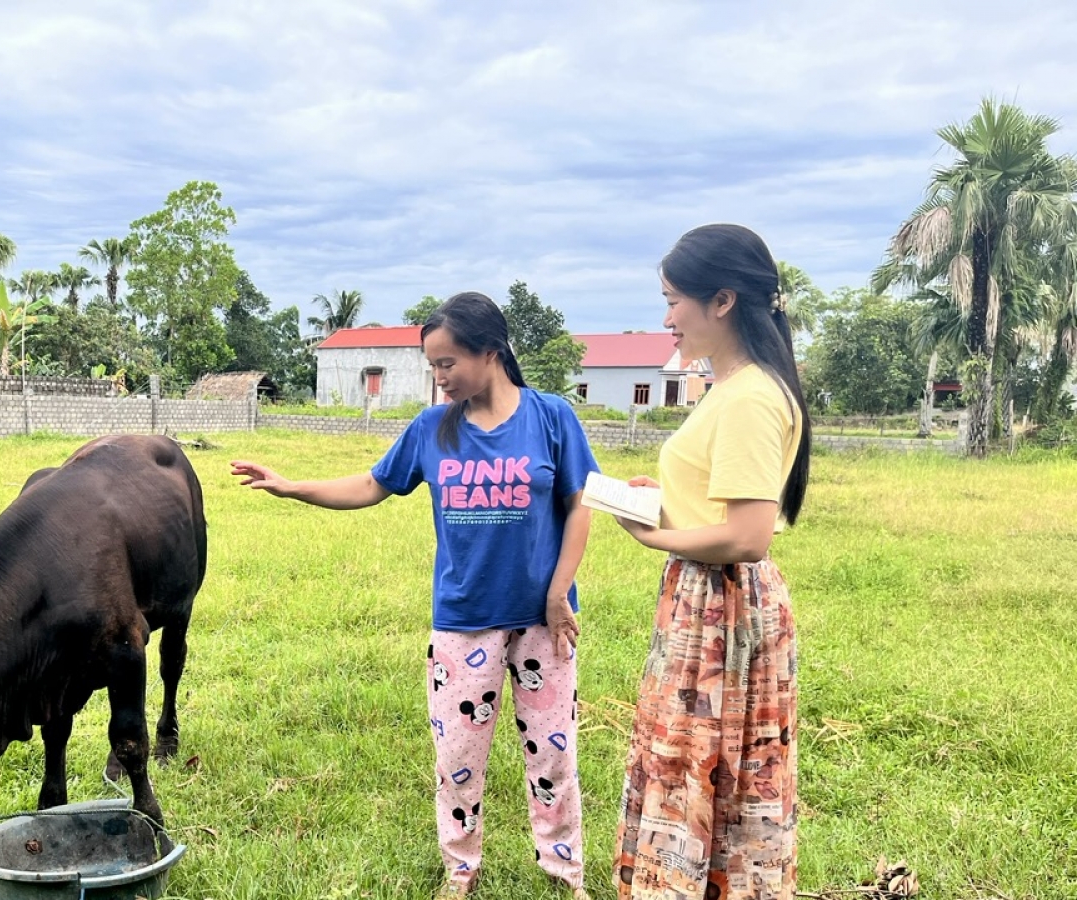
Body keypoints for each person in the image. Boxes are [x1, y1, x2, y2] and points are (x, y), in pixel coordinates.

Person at [232, 292, 598, 900]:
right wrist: (293, 487)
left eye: (447, 363)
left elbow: (579, 503)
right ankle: (461, 872)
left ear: (491, 351)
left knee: (554, 760)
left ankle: (564, 874)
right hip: (463, 623)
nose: (439, 377)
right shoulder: (433, 427)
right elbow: (374, 485)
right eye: (433, 365)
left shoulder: (552, 417)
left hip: (544, 622)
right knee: (458, 759)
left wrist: (559, 593)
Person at [608, 224, 811, 900]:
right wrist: (661, 505)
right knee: (696, 760)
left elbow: (749, 535)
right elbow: (718, 509)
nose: (667, 318)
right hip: (704, 599)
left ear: (722, 300)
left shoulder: (751, 395)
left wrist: (655, 539)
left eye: (674, 301)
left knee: (711, 764)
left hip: (723, 605)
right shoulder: (729, 389)